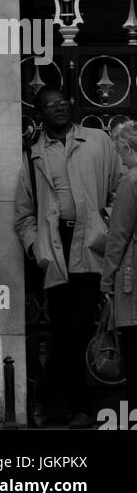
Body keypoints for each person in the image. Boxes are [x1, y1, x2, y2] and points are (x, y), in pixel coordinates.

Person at [14, 85, 123, 428]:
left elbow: (122, 186)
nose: (59, 108)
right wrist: (37, 247)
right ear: (39, 113)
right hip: (55, 247)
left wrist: (106, 226)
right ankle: (75, 408)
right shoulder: (33, 154)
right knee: (66, 330)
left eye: (63, 102)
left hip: (91, 244)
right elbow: (24, 215)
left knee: (75, 330)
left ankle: (53, 401)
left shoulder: (98, 141)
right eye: (50, 105)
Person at [100, 119, 137, 400]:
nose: (121, 162)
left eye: (120, 153)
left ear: (127, 147)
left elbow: (118, 236)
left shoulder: (131, 180)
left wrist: (107, 280)